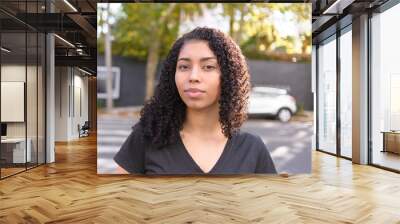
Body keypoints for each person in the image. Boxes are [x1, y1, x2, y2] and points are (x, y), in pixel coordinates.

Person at [113, 27, 277, 174]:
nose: (193, 77)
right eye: (184, 66)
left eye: (208, 67)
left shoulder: (252, 149)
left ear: (228, 76)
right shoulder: (148, 136)